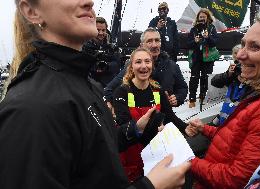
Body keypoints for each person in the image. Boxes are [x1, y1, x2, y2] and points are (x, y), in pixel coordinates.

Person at [0, 0, 191, 189]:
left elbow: (97, 149)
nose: (89, 2)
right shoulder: (31, 107)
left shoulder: (88, 85)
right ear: (32, 11)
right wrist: (150, 186)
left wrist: (134, 130)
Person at [185, 11, 260, 189]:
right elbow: (234, 139)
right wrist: (204, 128)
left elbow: (235, 179)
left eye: (255, 47)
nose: (239, 55)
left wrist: (186, 160)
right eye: (243, 44)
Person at [113, 47, 191, 181]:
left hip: (155, 153)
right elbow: (123, 125)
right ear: (131, 66)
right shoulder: (122, 92)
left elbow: (169, 117)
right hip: (131, 153)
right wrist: (151, 129)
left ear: (152, 64)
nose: (143, 66)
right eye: (138, 62)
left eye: (147, 61)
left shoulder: (157, 91)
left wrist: (185, 127)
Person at [103, 27, 188, 112]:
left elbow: (182, 88)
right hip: (137, 120)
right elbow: (109, 90)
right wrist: (114, 106)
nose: (154, 45)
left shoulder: (172, 66)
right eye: (149, 41)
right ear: (141, 45)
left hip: (164, 118)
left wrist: (177, 98)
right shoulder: (132, 67)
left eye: (157, 40)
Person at [187, 8, 218, 108]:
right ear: (197, 18)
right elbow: (188, 44)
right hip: (196, 57)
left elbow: (215, 43)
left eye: (204, 17)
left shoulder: (212, 28)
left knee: (205, 78)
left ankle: (202, 97)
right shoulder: (193, 29)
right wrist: (195, 41)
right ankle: (192, 98)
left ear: (208, 18)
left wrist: (208, 37)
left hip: (208, 58)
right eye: (200, 17)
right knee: (194, 78)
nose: (202, 19)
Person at [210, 44, 247, 126]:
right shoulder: (233, 69)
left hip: (238, 118)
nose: (237, 55)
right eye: (235, 53)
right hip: (226, 114)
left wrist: (248, 80)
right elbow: (215, 82)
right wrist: (229, 74)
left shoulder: (252, 71)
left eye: (239, 52)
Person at [82, 16, 121, 88]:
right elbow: (82, 64)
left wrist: (106, 66)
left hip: (108, 84)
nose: (101, 33)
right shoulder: (84, 46)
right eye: (98, 30)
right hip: (89, 83)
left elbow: (118, 64)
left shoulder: (112, 47)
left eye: (103, 30)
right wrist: (95, 67)